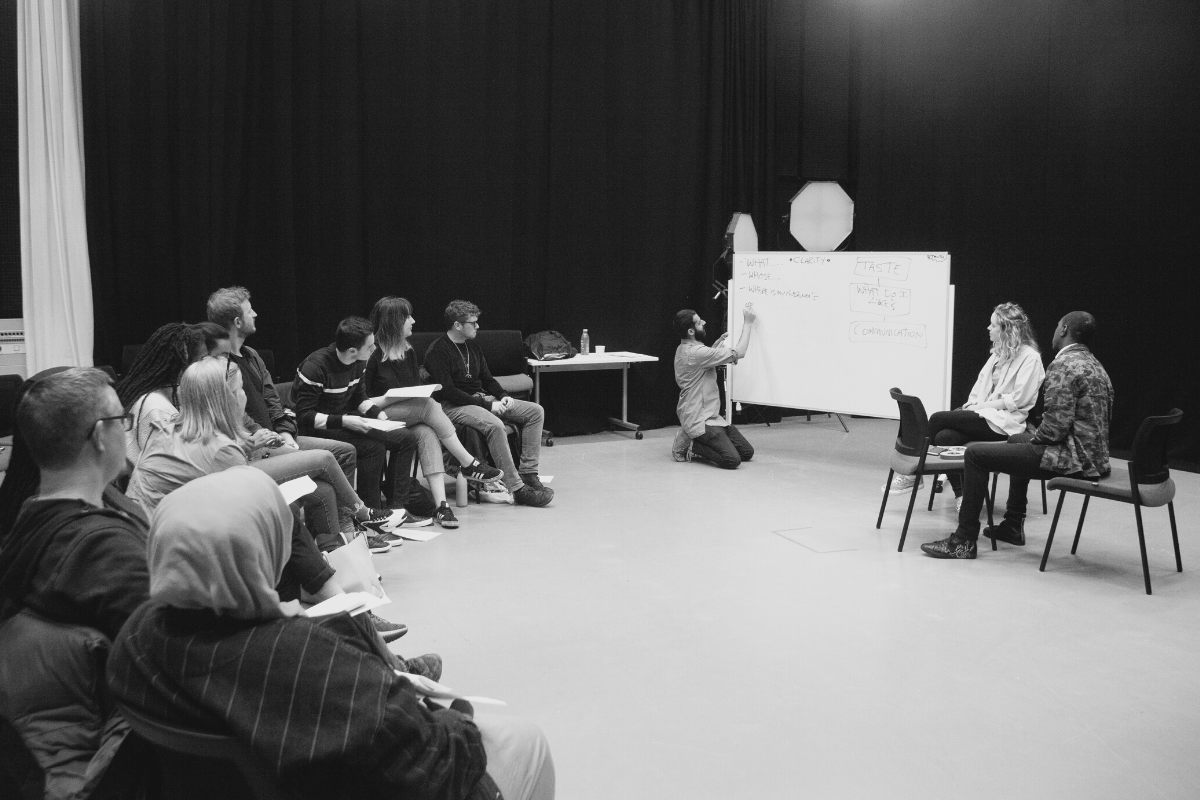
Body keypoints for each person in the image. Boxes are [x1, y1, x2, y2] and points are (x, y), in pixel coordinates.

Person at [108, 467, 556, 800]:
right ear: (263, 547)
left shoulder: (136, 638)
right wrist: (453, 716)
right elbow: (434, 770)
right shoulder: (306, 658)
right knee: (526, 739)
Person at [0, 368, 151, 795]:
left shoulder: (31, 520)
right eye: (123, 420)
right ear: (102, 435)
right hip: (129, 756)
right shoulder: (101, 551)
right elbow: (176, 654)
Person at [921, 311, 1113, 559]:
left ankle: (963, 541)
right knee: (1015, 440)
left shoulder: (1064, 365)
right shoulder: (1096, 366)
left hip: (1070, 458)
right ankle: (1013, 524)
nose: (1054, 331)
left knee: (976, 454)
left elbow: (1054, 429)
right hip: (1094, 459)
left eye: (1057, 326)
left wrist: (1034, 438)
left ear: (1064, 330)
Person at [886, 302, 1046, 506]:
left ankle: (913, 472)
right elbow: (979, 387)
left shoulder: (1031, 358)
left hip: (1004, 423)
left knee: (937, 418)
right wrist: (971, 406)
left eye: (993, 325)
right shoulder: (998, 353)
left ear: (1007, 329)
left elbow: (1018, 400)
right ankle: (962, 497)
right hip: (982, 416)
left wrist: (978, 408)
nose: (988, 328)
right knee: (945, 437)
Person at [364, 296, 504, 528]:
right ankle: (468, 463)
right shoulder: (371, 353)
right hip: (375, 414)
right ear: (394, 321)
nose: (413, 321)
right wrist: (390, 397)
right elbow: (362, 400)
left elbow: (412, 391)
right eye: (408, 316)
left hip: (406, 413)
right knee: (429, 406)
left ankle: (441, 506)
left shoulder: (408, 352)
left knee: (427, 432)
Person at [205, 286, 359, 494]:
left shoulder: (251, 355)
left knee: (345, 452)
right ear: (238, 322)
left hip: (277, 438)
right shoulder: (219, 366)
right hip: (257, 445)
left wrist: (285, 433)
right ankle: (351, 517)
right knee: (323, 476)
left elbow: (273, 400)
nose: (255, 314)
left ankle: (346, 523)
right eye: (250, 310)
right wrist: (267, 436)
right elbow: (235, 416)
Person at [292, 316, 435, 523]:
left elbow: (359, 397)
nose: (374, 348)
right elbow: (304, 416)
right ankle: (370, 514)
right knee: (372, 448)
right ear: (352, 350)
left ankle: (397, 509)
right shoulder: (316, 367)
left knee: (406, 438)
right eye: (370, 345)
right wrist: (344, 421)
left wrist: (380, 415)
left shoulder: (359, 363)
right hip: (316, 430)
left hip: (341, 421)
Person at [424, 300, 553, 508]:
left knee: (535, 411)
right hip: (452, 406)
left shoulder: (472, 347)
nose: (477, 327)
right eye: (472, 323)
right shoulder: (438, 351)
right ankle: (517, 488)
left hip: (480, 399)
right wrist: (487, 406)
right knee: (495, 424)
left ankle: (528, 473)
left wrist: (502, 395)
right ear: (457, 325)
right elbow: (448, 392)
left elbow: (487, 379)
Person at [671, 305, 757, 468]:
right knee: (732, 460)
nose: (703, 322)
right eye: (698, 322)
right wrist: (748, 323)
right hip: (698, 418)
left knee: (746, 452)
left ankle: (696, 439)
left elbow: (703, 360)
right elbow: (740, 352)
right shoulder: (697, 353)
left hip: (711, 416)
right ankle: (689, 444)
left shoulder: (685, 349)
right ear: (691, 331)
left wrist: (717, 344)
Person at [115, 321, 207, 464]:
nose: (208, 366)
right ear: (183, 362)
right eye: (202, 360)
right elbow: (176, 470)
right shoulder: (156, 408)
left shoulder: (174, 396)